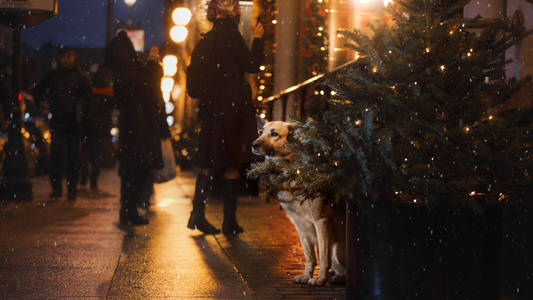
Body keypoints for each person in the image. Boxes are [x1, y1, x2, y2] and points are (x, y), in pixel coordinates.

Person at [186, 0, 264, 235]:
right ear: (233, 15)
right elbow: (252, 65)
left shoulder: (204, 42)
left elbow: (194, 88)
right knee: (232, 164)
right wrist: (258, 39)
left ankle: (198, 212)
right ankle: (229, 220)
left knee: (210, 162)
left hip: (212, 111)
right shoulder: (232, 36)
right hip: (232, 111)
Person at [105, 31, 164, 226]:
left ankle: (128, 209)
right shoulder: (128, 71)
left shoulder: (122, 72)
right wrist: (153, 64)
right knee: (139, 168)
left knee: (132, 170)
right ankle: (129, 209)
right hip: (139, 127)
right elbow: (148, 86)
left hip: (133, 127)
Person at [33, 47, 92, 201]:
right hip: (60, 121)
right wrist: (42, 102)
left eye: (68, 56)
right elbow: (38, 90)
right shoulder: (55, 76)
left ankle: (70, 189)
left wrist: (82, 112)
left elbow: (89, 97)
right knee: (58, 157)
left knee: (72, 158)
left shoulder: (78, 77)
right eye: (63, 56)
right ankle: (59, 189)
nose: (65, 59)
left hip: (73, 122)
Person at [80, 66, 113, 191]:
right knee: (97, 157)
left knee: (86, 154)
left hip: (89, 128)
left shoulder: (89, 91)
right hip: (101, 130)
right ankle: (93, 180)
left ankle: (84, 175)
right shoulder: (108, 93)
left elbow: (84, 110)